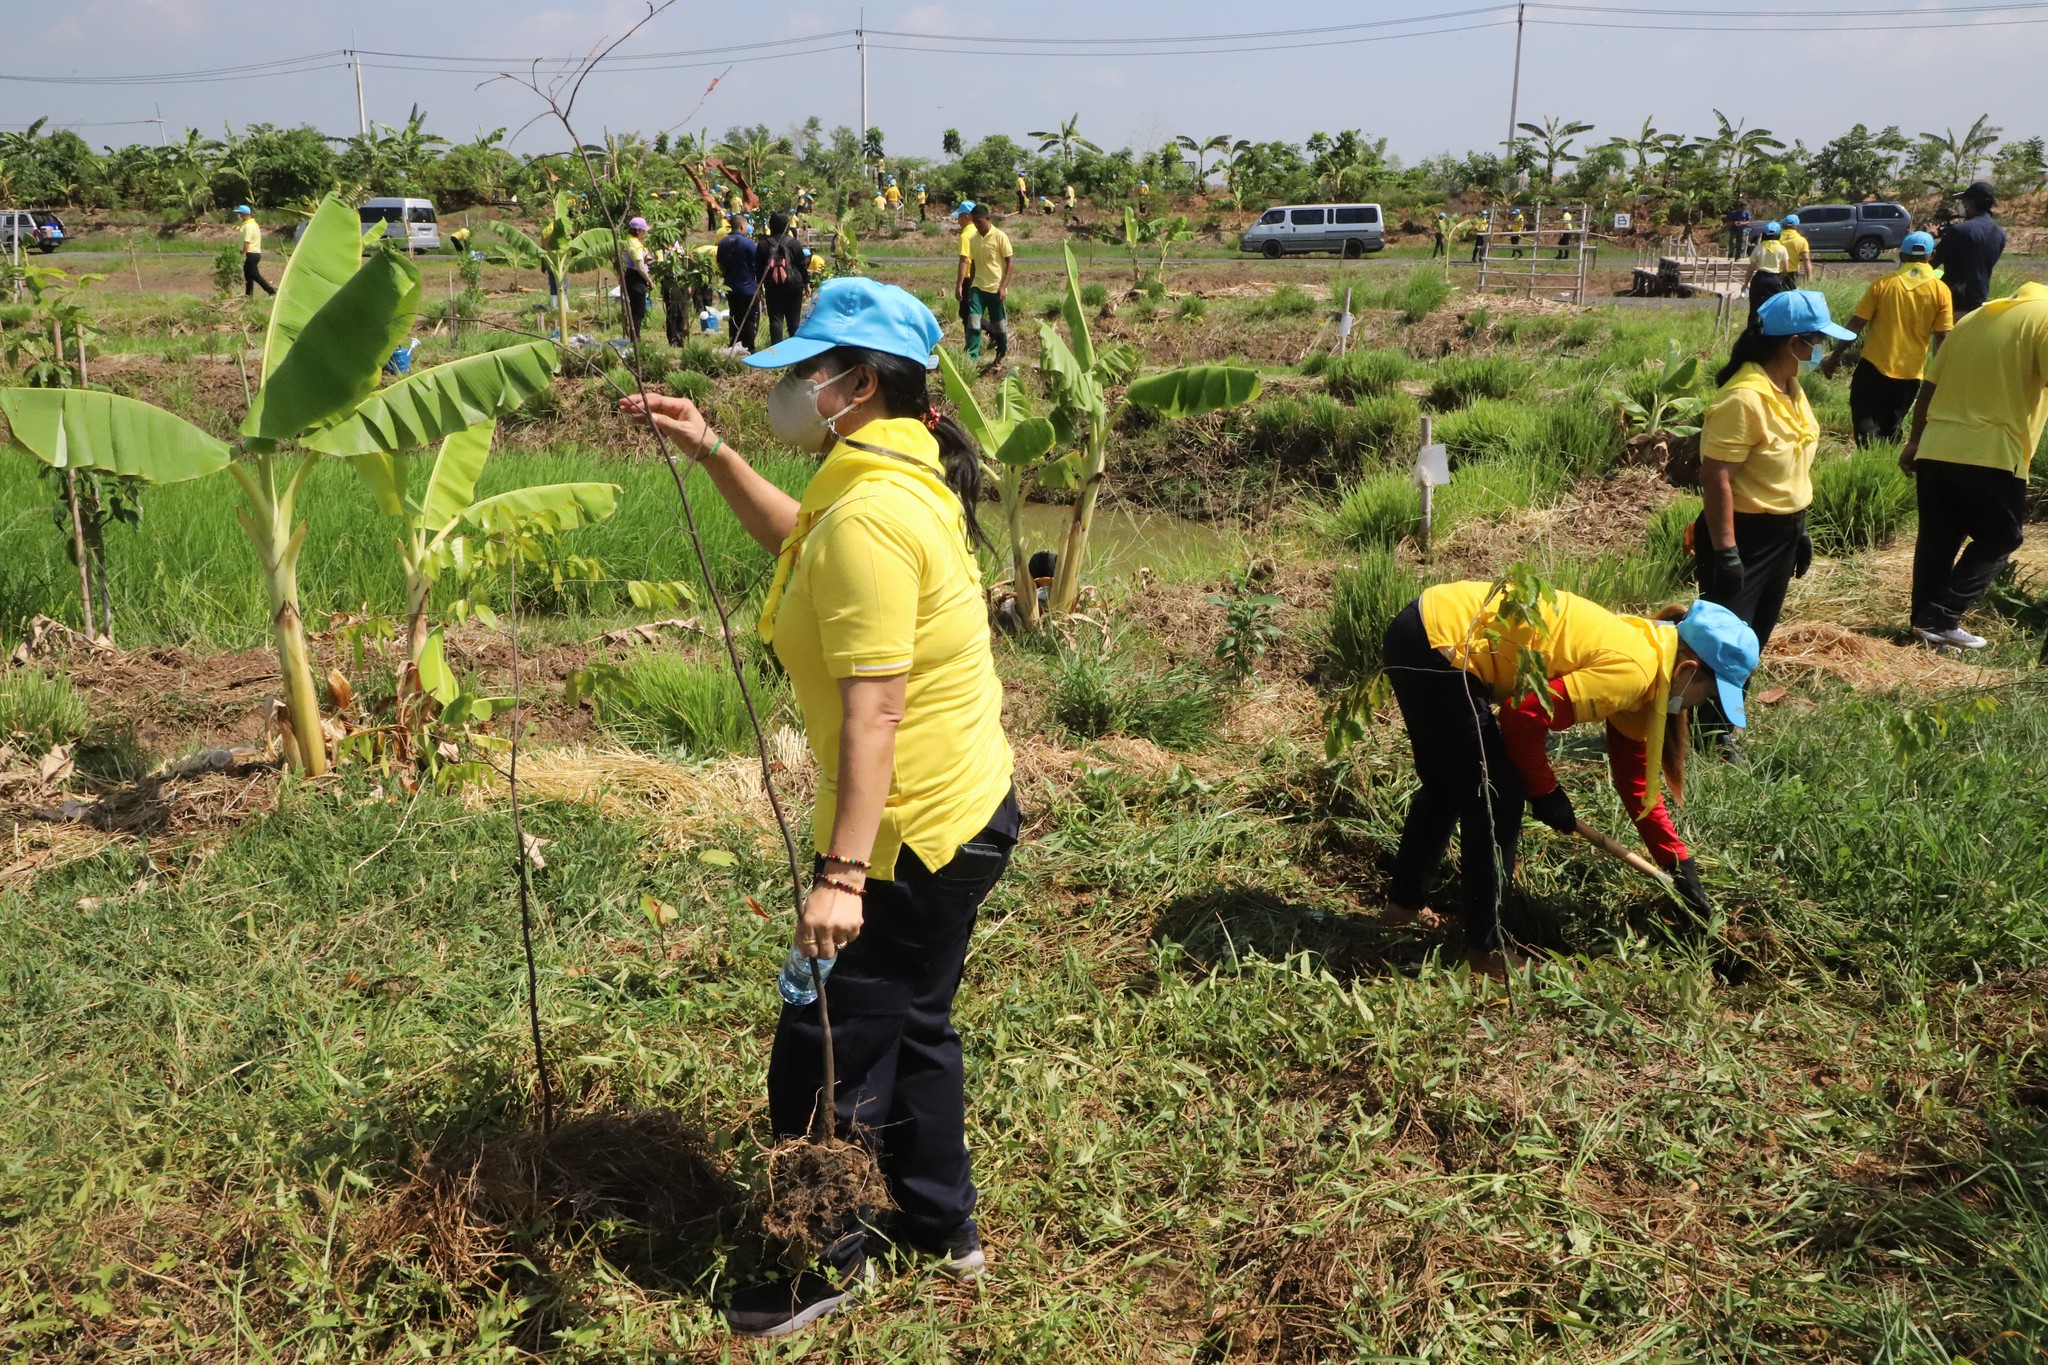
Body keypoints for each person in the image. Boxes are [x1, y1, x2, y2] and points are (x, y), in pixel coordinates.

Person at [619, 278, 1018, 1338]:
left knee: (820, 1051)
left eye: (807, 370)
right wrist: (712, 452)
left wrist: (841, 876)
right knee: (916, 1026)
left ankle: (817, 1268)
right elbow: (803, 540)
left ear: (855, 383)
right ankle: (943, 1228)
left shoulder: (874, 512)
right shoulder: (887, 469)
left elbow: (874, 710)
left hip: (906, 841)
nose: (792, 387)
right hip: (967, 812)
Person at [1382, 582, 1760, 955]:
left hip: (1424, 627)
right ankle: (1485, 951)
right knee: (1498, 796)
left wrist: (1677, 862)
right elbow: (1524, 714)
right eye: (1709, 694)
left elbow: (1636, 782)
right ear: (1690, 670)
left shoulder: (1653, 659)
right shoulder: (1635, 671)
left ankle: (1403, 908)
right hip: (1440, 646)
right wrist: (1545, 792)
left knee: (1451, 787)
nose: (1701, 704)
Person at [1694, 290, 1854, 748]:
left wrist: (1798, 530)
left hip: (1783, 532)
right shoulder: (1744, 398)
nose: (1822, 348)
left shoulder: (1789, 387)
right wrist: (1726, 551)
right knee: (1726, 641)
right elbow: (1716, 478)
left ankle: (1724, 720)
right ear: (1794, 343)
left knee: (1754, 637)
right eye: (1818, 340)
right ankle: (1711, 731)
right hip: (1744, 533)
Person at [1897, 280, 2048, 649]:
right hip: (1992, 449)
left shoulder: (1975, 317)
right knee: (2001, 537)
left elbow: (1929, 386)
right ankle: (1942, 616)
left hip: (1936, 445)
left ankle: (1924, 627)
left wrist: (1915, 440)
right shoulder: (2044, 318)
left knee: (1938, 539)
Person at [1821, 231, 1952, 444]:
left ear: (1901, 256)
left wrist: (1835, 356)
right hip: (1910, 373)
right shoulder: (1941, 291)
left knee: (1865, 421)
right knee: (1892, 425)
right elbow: (1943, 336)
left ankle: (1867, 462)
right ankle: (1882, 463)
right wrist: (1942, 375)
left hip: (1873, 367)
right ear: (1932, 256)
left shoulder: (1883, 284)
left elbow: (1856, 324)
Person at [1930, 180, 2007, 318]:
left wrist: (1929, 237)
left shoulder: (1959, 231)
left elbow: (1931, 263)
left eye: (1963, 201)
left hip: (1953, 301)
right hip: (1979, 301)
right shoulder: (2000, 233)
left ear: (1970, 202)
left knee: (1947, 339)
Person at [957, 202, 1014, 365]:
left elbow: (1010, 262)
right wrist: (972, 283)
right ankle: (971, 358)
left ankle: (1001, 353)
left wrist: (1003, 287)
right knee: (973, 322)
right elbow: (972, 263)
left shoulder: (1000, 237)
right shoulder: (973, 239)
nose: (977, 225)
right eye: (974, 222)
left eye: (980, 222)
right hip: (978, 288)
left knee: (999, 326)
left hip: (996, 289)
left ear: (988, 219)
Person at [760, 210, 811, 347]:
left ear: (771, 225)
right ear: (787, 226)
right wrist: (806, 283)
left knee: (775, 319)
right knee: (794, 319)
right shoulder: (794, 243)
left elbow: (759, 268)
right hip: (794, 285)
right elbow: (802, 266)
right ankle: (794, 351)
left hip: (772, 286)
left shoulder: (763, 244)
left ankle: (776, 351)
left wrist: (759, 286)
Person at [716, 212, 764, 352]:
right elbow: (758, 262)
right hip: (748, 288)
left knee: (734, 318)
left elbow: (719, 263)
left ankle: (734, 345)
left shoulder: (723, 242)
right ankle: (749, 348)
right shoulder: (747, 242)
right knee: (749, 320)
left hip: (730, 288)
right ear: (742, 225)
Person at [1747, 221, 1790, 325]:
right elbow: (1785, 269)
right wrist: (1779, 279)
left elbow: (1751, 269)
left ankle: (1751, 333)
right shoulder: (1782, 249)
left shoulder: (1758, 248)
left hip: (1759, 278)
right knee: (1772, 308)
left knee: (1754, 309)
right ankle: (1767, 330)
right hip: (1774, 279)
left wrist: (1745, 283)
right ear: (1778, 234)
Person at [619, 215, 653, 341]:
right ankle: (635, 339)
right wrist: (649, 280)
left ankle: (635, 337)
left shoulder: (629, 239)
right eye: (644, 231)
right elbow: (640, 267)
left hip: (630, 275)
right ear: (638, 231)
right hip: (636, 277)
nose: (645, 234)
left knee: (635, 309)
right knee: (638, 311)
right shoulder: (635, 244)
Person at [235, 205, 275, 297]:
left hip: (251, 253)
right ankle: (248, 295)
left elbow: (247, 241)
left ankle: (271, 291)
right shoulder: (250, 224)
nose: (239, 215)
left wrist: (243, 254)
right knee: (248, 276)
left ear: (244, 214)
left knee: (254, 275)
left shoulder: (249, 226)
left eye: (239, 213)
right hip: (252, 253)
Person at [1778, 213, 1809, 288]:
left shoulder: (1776, 237)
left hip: (1775, 272)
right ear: (1797, 226)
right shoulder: (1801, 240)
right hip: (1791, 274)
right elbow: (1806, 259)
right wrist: (1809, 276)